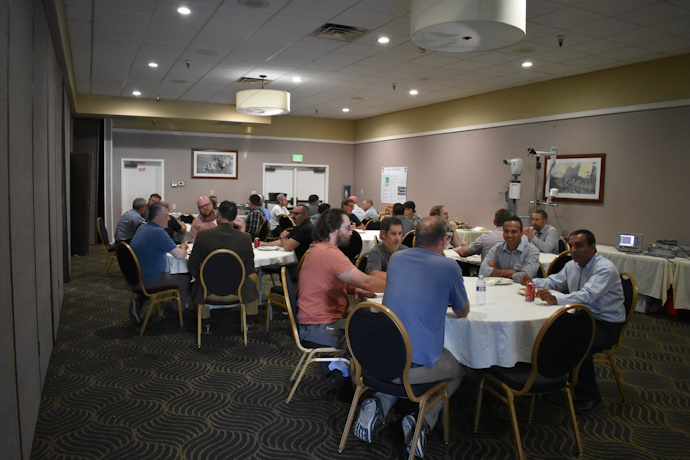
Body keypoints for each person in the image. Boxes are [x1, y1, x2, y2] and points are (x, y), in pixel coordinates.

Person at [352, 216, 469, 457]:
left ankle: (380, 402)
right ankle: (421, 421)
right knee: (459, 369)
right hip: (409, 367)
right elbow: (462, 311)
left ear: (414, 238)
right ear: (443, 240)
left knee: (407, 361)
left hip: (378, 359)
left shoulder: (396, 258)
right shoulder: (449, 267)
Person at [521, 229, 625, 414]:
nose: (573, 250)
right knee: (548, 333)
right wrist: (533, 282)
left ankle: (590, 396)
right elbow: (554, 281)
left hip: (605, 323)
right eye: (571, 246)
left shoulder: (604, 268)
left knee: (576, 341)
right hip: (582, 315)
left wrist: (556, 299)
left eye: (579, 245)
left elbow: (588, 295)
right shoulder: (573, 265)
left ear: (593, 247)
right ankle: (549, 382)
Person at [297, 209, 386, 390]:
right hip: (317, 327)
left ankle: (341, 369)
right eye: (347, 228)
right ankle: (357, 387)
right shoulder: (330, 254)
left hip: (314, 321)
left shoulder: (318, 248)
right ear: (334, 230)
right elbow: (368, 281)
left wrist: (354, 288)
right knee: (370, 334)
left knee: (368, 325)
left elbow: (329, 280)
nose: (351, 232)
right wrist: (400, 283)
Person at [187, 200, 260, 333]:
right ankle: (249, 321)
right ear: (235, 218)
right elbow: (249, 268)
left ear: (218, 216)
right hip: (236, 290)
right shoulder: (245, 238)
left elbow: (192, 266)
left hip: (208, 290)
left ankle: (205, 323)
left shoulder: (203, 236)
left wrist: (203, 276)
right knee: (253, 276)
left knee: (200, 278)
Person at [129, 202, 191, 323]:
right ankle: (171, 312)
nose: (169, 219)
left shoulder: (143, 227)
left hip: (136, 277)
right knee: (188, 280)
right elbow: (179, 256)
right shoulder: (159, 233)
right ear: (157, 218)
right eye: (166, 215)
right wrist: (184, 248)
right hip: (150, 280)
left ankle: (139, 301)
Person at [479, 216, 540, 282]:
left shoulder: (531, 251)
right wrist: (513, 272)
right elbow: (482, 272)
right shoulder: (497, 249)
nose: (510, 235)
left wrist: (497, 271)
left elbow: (526, 277)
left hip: (521, 290)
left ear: (521, 233)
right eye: (506, 231)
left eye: (514, 232)